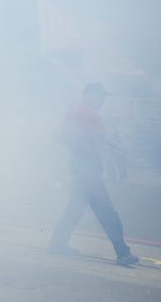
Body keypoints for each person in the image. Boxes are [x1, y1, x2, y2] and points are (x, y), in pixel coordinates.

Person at [48, 83, 139, 266]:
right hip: (89, 168)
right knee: (108, 212)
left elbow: (59, 137)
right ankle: (123, 253)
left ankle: (57, 243)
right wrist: (115, 154)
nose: (103, 101)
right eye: (100, 96)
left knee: (74, 209)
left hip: (79, 165)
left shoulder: (72, 111)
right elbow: (95, 140)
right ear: (88, 95)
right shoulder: (90, 114)